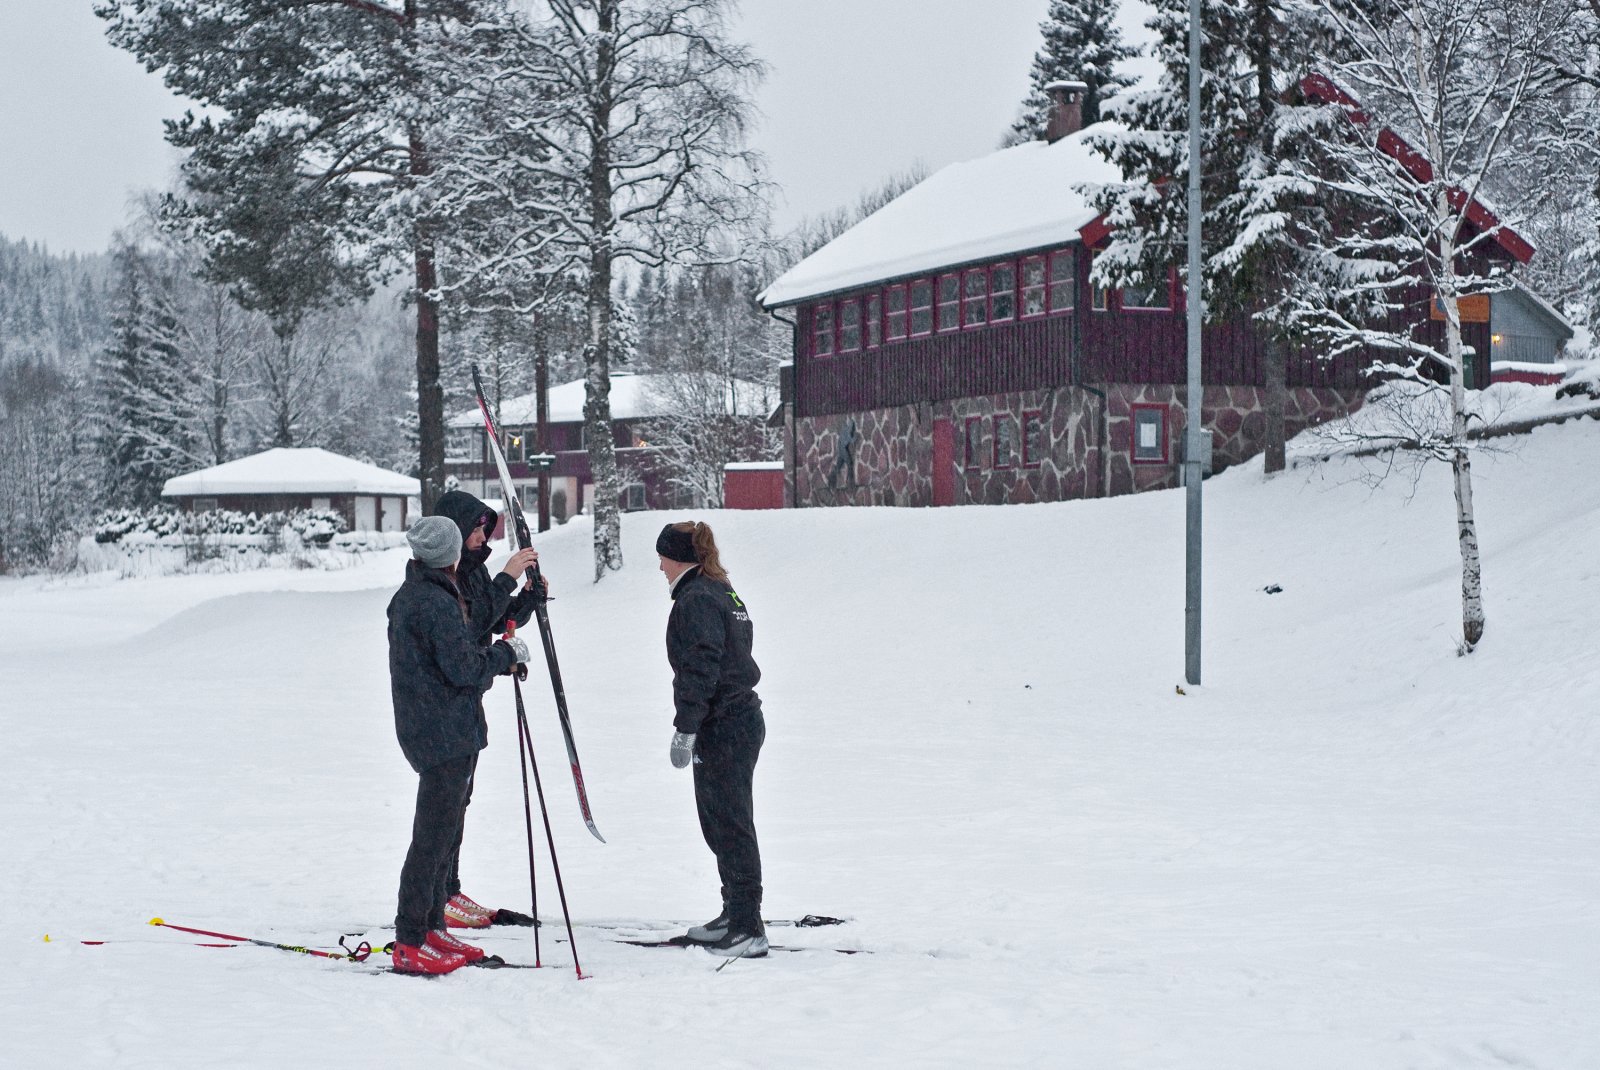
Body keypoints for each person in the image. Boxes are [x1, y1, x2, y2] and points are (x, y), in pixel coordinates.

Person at [387, 515, 530, 974]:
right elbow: (463, 666)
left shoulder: (431, 592)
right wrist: (505, 655)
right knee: (431, 840)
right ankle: (410, 938)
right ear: (448, 554)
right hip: (440, 730)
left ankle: (431, 927)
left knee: (443, 835)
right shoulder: (431, 601)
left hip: (447, 725)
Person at [425, 489, 541, 929]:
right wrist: (507, 579)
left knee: (461, 800)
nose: (481, 535)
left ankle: (449, 887)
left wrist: (525, 598)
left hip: (468, 701)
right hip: (444, 706)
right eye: (475, 527)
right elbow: (467, 626)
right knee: (445, 806)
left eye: (483, 527)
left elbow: (491, 617)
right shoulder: (445, 578)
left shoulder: (472, 572)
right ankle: (439, 892)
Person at [657, 520, 769, 958]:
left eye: (663, 557)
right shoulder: (720, 590)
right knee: (720, 821)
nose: (660, 566)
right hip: (736, 719)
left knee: (730, 823)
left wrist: (686, 727)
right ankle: (733, 912)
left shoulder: (698, 598)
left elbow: (701, 667)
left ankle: (747, 926)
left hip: (724, 724)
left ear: (679, 557)